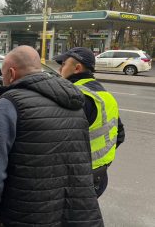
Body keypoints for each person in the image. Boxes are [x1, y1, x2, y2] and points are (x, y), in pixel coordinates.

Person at [0, 45, 103, 227]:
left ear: (11, 73)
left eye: (3, 74)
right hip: (77, 212)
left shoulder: (8, 104)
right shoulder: (74, 100)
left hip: (25, 216)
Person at [53, 47, 125, 197]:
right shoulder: (105, 96)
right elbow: (120, 136)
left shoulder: (75, 96)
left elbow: (57, 142)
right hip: (99, 177)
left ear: (77, 68)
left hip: (77, 180)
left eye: (64, 64)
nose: (60, 69)